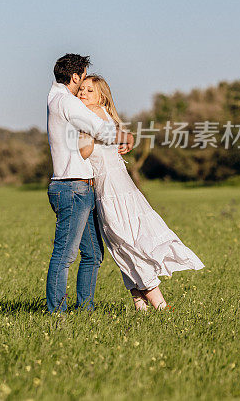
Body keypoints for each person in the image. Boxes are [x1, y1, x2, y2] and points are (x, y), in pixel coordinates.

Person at [77, 74, 204, 310]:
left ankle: (159, 304)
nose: (83, 93)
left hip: (114, 191)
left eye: (89, 90)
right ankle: (139, 304)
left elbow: (84, 152)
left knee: (126, 243)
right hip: (114, 188)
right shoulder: (101, 116)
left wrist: (81, 134)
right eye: (81, 89)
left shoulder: (93, 115)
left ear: (101, 97)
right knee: (122, 244)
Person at [45, 54, 134, 313]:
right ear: (75, 77)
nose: (84, 84)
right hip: (72, 188)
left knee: (93, 254)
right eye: (83, 77)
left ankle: (86, 310)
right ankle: (56, 314)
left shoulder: (57, 99)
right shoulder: (65, 102)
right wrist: (126, 135)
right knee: (65, 255)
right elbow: (99, 127)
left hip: (81, 187)